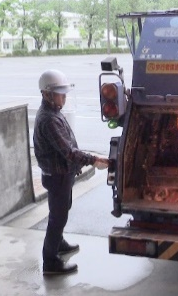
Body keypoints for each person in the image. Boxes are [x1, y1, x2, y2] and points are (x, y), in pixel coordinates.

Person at [33, 69, 109, 275]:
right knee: (57, 218)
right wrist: (94, 160)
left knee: (61, 212)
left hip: (60, 175)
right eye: (60, 93)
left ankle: (58, 243)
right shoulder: (49, 119)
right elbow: (68, 151)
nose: (64, 96)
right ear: (47, 94)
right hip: (57, 176)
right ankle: (50, 262)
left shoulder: (53, 113)